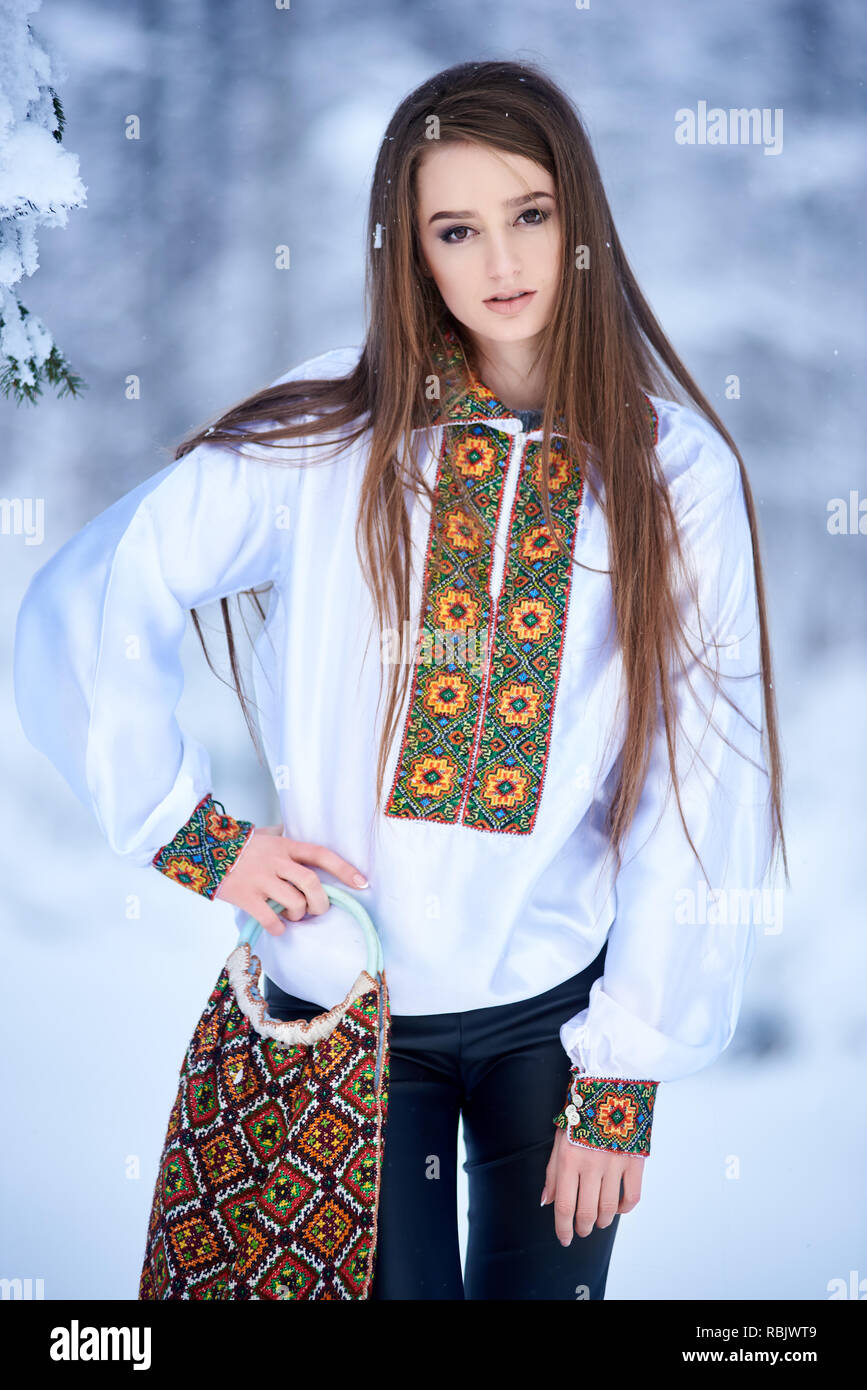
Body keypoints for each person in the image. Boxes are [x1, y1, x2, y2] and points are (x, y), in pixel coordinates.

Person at [13, 58, 786, 1300]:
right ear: (411, 250)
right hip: (351, 1010)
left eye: (532, 214)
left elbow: (709, 769)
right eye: (456, 228)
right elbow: (96, 596)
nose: (503, 259)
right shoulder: (328, 434)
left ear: (580, 218)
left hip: (560, 1017)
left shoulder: (672, 468)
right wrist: (188, 830)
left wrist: (633, 1060)